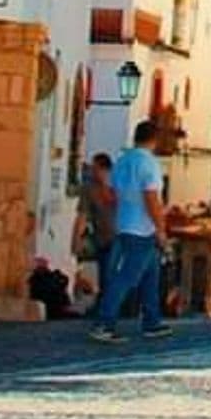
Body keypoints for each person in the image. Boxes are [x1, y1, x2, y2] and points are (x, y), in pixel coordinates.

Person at [89, 122, 173, 343]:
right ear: (154, 139)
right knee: (126, 277)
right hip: (143, 229)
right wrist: (161, 228)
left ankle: (152, 322)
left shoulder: (122, 161)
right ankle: (104, 323)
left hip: (124, 225)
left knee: (151, 275)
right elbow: (151, 198)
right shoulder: (150, 164)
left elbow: (110, 195)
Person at [71, 153, 116, 311]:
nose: (92, 172)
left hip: (119, 239)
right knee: (106, 276)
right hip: (103, 240)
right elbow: (82, 216)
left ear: (105, 169)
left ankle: (108, 309)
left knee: (110, 276)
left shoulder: (118, 186)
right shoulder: (89, 190)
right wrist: (76, 239)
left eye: (95, 168)